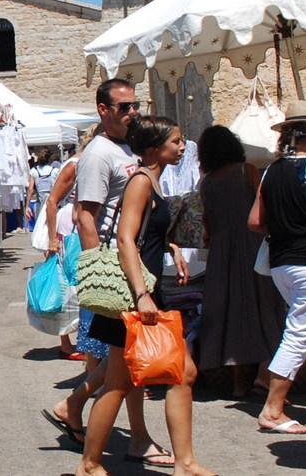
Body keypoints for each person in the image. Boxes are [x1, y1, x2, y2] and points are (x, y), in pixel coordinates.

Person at [43, 78, 173, 468]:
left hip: (131, 261)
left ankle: (123, 430)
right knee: (122, 359)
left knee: (124, 358)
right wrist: (98, 268)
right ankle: (94, 421)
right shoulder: (99, 154)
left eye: (135, 105)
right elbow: (87, 215)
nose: (132, 112)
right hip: (116, 264)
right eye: (124, 107)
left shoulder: (122, 149)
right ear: (103, 110)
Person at [77, 116, 215, 476]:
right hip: (138, 293)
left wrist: (170, 245)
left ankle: (185, 462)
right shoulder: (141, 181)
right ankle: (90, 464)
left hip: (150, 288)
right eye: (176, 141)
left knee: (181, 374)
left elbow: (145, 232)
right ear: (154, 148)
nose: (182, 147)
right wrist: (141, 295)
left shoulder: (152, 179)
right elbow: (125, 237)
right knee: (120, 383)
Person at [247, 100, 306, 434]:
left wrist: (281, 225)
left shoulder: (272, 171)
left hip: (280, 262)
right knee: (301, 333)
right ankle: (273, 407)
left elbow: (254, 221)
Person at [197, 125, 284, 398]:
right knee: (263, 310)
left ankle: (237, 383)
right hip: (252, 247)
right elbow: (263, 208)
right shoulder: (247, 171)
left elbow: (207, 225)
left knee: (230, 314)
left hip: (222, 254)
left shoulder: (207, 183)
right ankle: (266, 373)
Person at [43, 127, 98, 362]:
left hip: (81, 224)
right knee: (69, 284)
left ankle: (78, 341)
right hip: (70, 227)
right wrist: (52, 237)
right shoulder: (75, 165)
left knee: (77, 283)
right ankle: (66, 342)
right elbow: (52, 201)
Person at [25, 146, 59, 225]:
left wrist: (27, 206)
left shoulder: (34, 170)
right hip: (53, 201)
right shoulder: (55, 170)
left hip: (39, 202)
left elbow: (30, 189)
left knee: (40, 226)